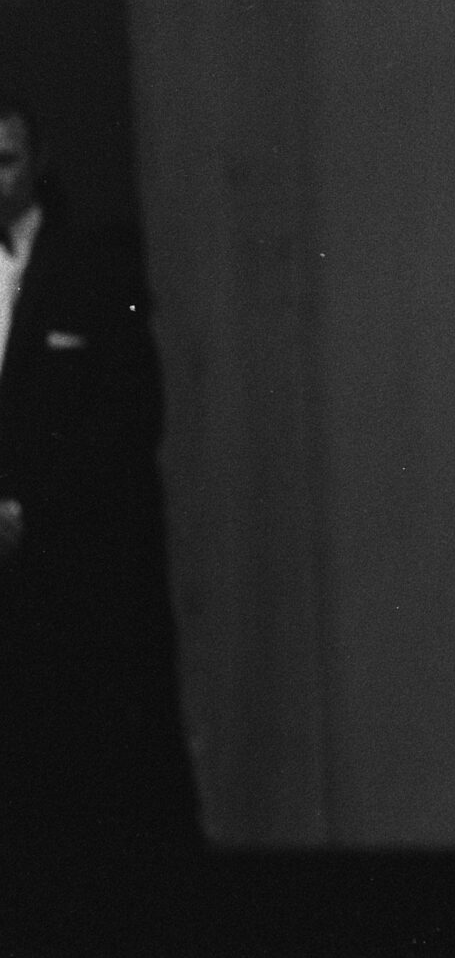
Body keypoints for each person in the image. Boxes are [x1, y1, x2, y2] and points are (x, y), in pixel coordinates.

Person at [0, 94, 202, 891]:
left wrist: (29, 509)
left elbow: (127, 415)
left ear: (38, 162)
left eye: (5, 159)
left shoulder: (92, 268)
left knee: (87, 781)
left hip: (72, 576)